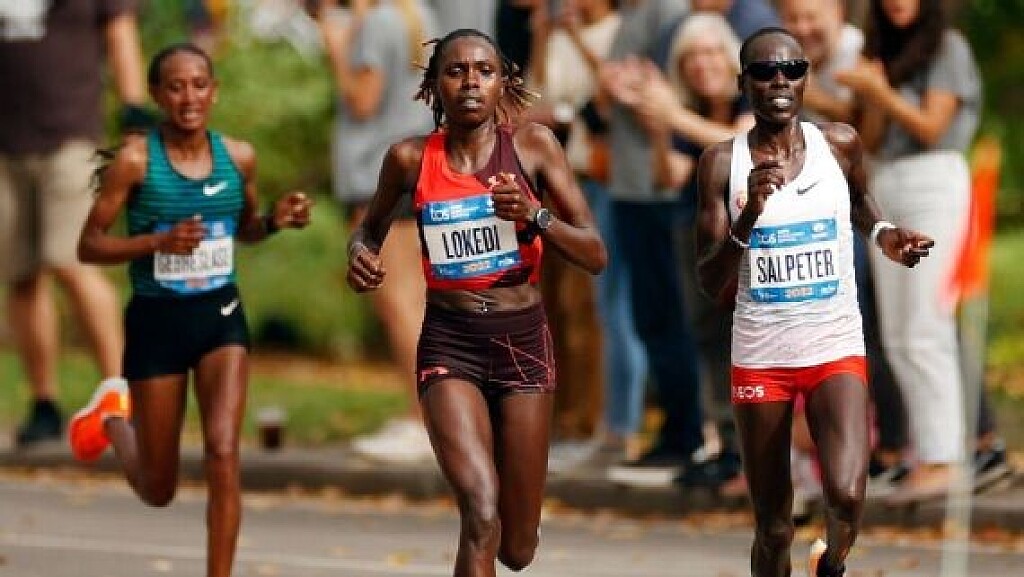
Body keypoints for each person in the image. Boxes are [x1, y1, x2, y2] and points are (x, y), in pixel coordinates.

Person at [346, 28, 606, 575]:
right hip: (451, 345)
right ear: (434, 86)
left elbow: (594, 252)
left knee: (517, 548)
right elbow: (368, 231)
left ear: (503, 83)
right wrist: (361, 256)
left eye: (484, 71)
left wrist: (533, 215)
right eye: (456, 71)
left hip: (522, 345)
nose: (470, 82)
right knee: (481, 512)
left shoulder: (533, 148)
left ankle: (516, 538)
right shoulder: (409, 159)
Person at [694, 27, 933, 577]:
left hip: (834, 345)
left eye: (792, 70)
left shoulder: (840, 143)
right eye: (764, 71)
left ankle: (831, 563)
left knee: (847, 495)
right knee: (774, 526)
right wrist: (748, 217)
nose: (779, 81)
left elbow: (862, 204)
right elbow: (710, 279)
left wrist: (886, 236)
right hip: (762, 357)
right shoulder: (721, 163)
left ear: (806, 78)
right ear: (744, 83)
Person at [68, 44, 312, 577]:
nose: (188, 97)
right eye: (175, 87)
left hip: (221, 316)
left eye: (199, 85)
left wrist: (276, 220)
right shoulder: (137, 162)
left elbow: (246, 229)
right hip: (156, 325)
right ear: (157, 95)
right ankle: (111, 416)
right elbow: (89, 246)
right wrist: (158, 242)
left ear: (214, 91)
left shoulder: (238, 158)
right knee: (158, 489)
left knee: (223, 451)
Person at [836, 0, 983, 503]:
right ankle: (932, 454)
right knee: (898, 334)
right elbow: (873, 139)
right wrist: (870, 98)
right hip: (888, 181)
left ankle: (947, 457)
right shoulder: (877, 48)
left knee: (925, 323)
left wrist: (879, 90)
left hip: (934, 179)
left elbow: (931, 127)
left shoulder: (947, 46)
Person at [0, 0, 149, 448]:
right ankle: (44, 402)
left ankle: (124, 395)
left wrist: (134, 111)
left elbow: (121, 32)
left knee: (73, 262)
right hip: (6, 144)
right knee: (21, 275)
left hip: (69, 135)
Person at [777, 0, 908, 503]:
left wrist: (808, 97)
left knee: (872, 330)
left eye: (813, 16)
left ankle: (892, 446)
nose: (803, 27)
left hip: (865, 206)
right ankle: (853, 450)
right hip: (812, 218)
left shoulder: (858, 53)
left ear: (838, 12)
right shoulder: (787, 57)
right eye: (793, 18)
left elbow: (863, 132)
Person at [628, 11, 756, 488]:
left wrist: (673, 116)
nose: (702, 65)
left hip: (749, 234)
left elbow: (742, 147)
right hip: (696, 230)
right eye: (691, 58)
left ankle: (756, 449)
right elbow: (671, 176)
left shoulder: (751, 95)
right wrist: (659, 129)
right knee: (706, 337)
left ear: (729, 57)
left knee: (749, 336)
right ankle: (727, 443)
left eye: (710, 54)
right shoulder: (688, 110)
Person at [316, 0, 440, 463]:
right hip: (413, 168)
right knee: (415, 300)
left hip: (379, 177)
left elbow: (363, 101)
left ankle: (425, 421)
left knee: (398, 302)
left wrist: (336, 49)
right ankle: (428, 416)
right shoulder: (418, 15)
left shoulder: (378, 23)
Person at [528, 0, 641, 467]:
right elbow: (534, 99)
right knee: (551, 308)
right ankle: (561, 420)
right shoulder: (555, 35)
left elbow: (612, 91)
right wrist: (542, 36)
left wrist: (575, 39)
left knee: (589, 308)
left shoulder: (619, 31)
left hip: (597, 180)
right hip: (555, 180)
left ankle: (596, 422)